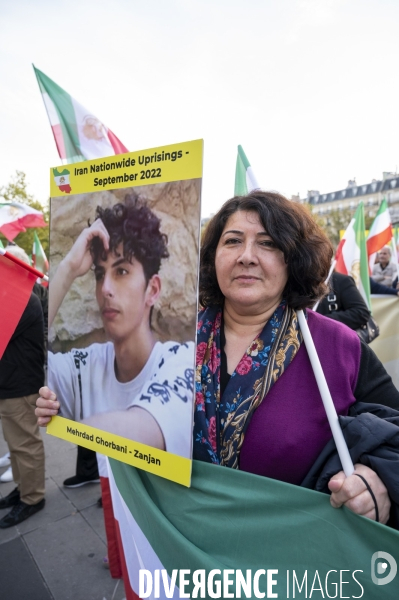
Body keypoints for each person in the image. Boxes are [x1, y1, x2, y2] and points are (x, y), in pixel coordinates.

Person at [195, 191, 399, 525]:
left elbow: (393, 437)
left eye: (268, 243)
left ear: (294, 258)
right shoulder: (171, 344)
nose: (246, 256)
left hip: (296, 562)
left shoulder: (338, 347)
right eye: (232, 241)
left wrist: (373, 481)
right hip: (179, 555)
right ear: (213, 256)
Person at [36, 197, 194, 458]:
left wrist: (69, 432)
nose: (105, 289)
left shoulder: (183, 362)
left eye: (121, 272)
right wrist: (68, 268)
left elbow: (141, 432)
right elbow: (22, 358)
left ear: (152, 290)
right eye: (100, 275)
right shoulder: (84, 368)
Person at [0, 247, 46, 527]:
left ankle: (33, 498)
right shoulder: (13, 296)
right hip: (10, 384)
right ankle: (22, 488)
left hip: (21, 386)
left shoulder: (22, 300)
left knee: (25, 445)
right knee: (16, 445)